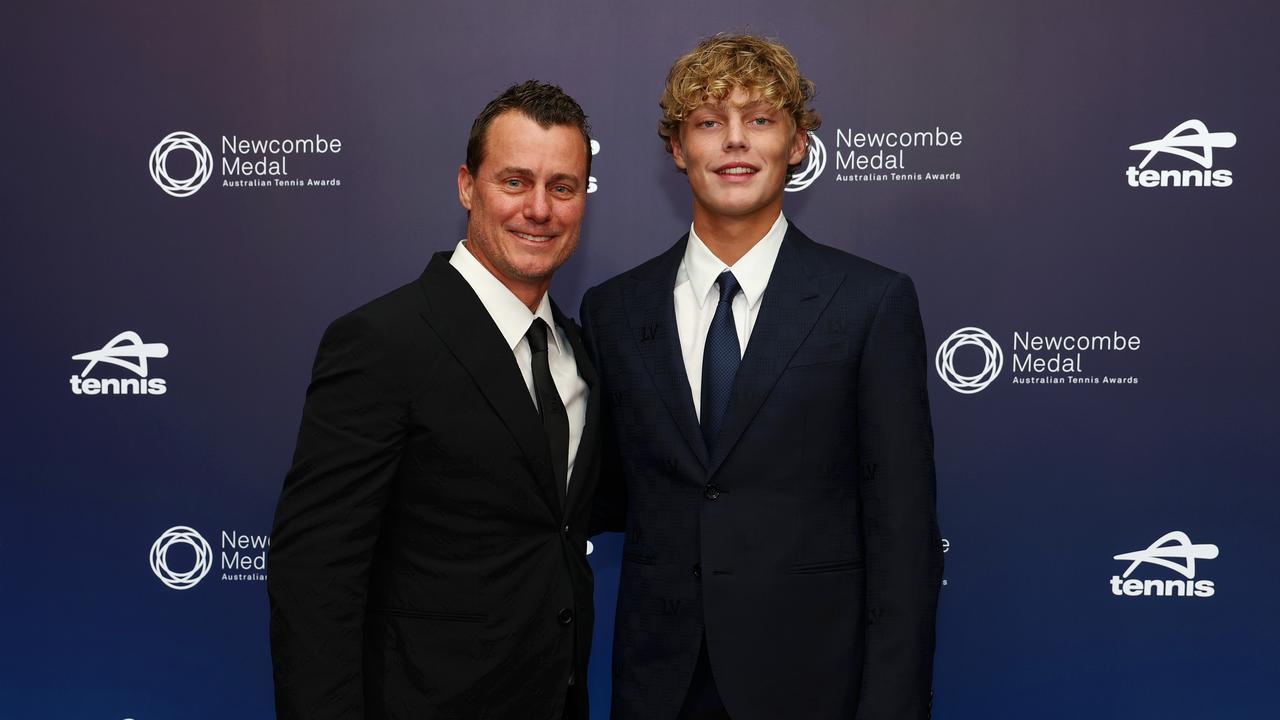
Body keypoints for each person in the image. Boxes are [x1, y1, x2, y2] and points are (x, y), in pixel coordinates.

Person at [580, 35, 943, 720]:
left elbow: (904, 536)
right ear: (677, 148)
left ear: (798, 143)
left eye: (761, 119)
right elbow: (605, 494)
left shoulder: (869, 303)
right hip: (658, 687)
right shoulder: (614, 310)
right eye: (710, 122)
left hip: (816, 687)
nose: (736, 142)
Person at [268, 80, 602, 720]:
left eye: (563, 187)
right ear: (467, 186)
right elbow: (315, 575)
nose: (540, 208)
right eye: (514, 182)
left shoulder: (579, 354)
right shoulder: (382, 341)